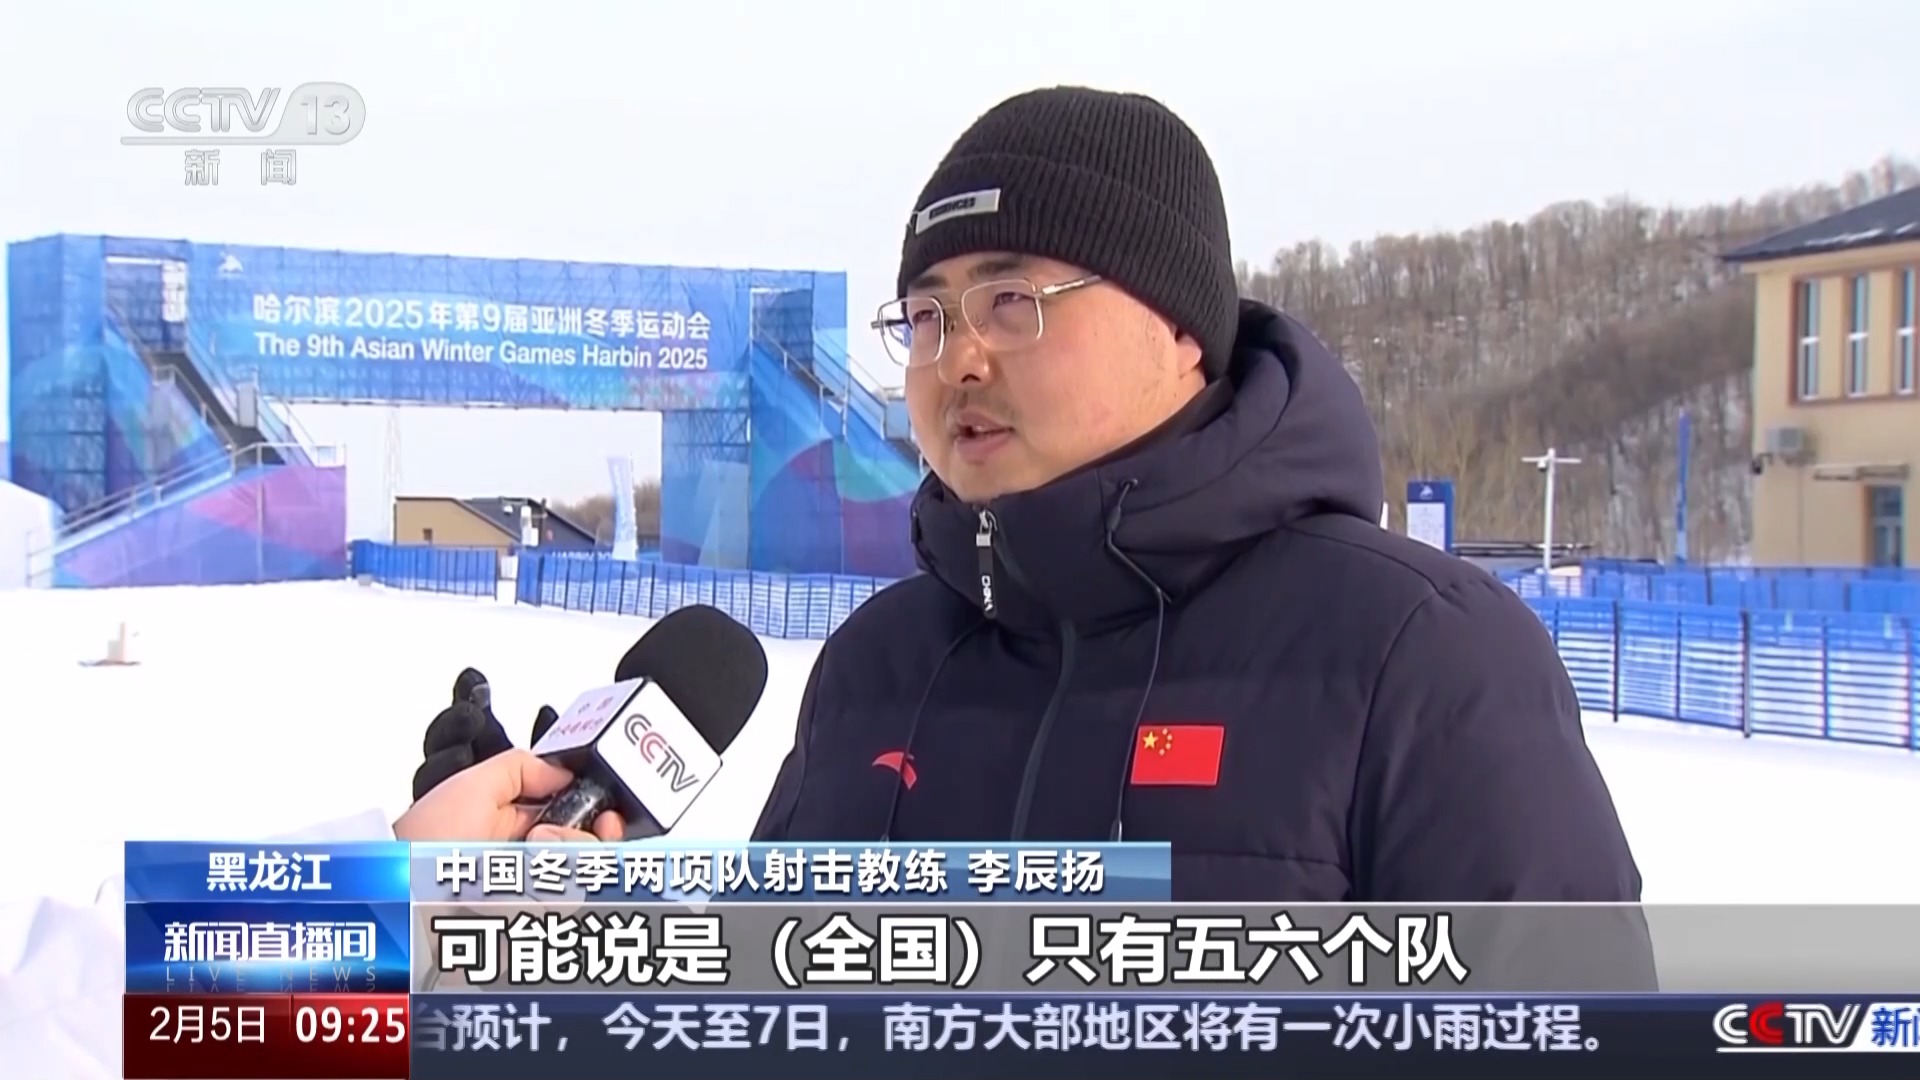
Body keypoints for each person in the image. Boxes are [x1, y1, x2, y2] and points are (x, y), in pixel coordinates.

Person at [746, 85, 1645, 904]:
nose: (958, 361)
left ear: (1178, 327)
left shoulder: (1418, 653)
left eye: (1011, 301)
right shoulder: (876, 667)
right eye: (927, 318)